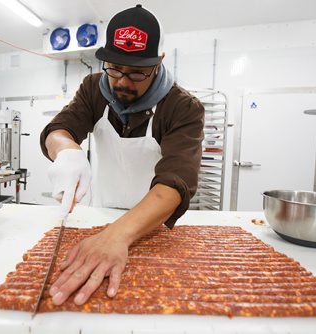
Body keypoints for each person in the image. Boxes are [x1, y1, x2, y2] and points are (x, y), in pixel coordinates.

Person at [40, 4, 204, 306]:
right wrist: (67, 151)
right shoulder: (94, 88)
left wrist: (118, 236)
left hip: (153, 225)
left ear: (159, 63)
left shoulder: (182, 107)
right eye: (114, 69)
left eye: (137, 73)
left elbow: (176, 182)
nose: (123, 82)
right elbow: (59, 129)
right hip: (102, 216)